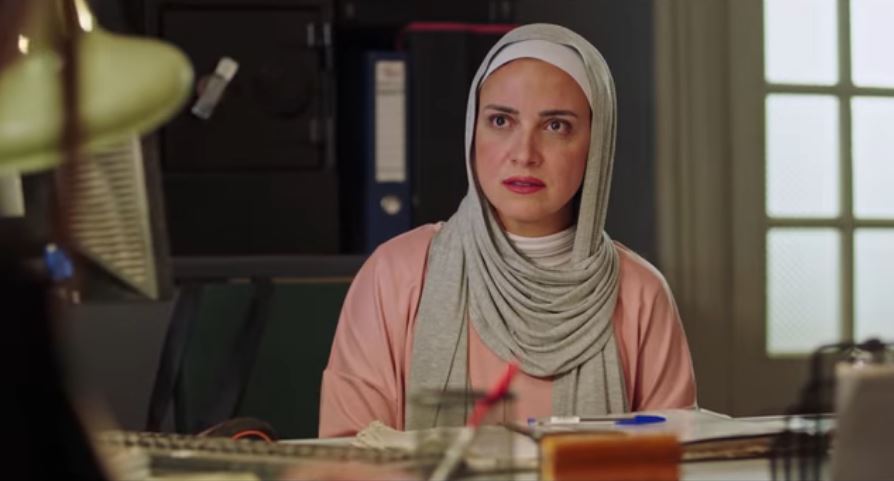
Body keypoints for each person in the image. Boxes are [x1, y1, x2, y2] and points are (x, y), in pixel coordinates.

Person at [319, 23, 696, 438]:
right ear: (472, 131)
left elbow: (677, 459)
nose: (524, 154)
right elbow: (349, 457)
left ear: (597, 143)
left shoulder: (641, 294)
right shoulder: (394, 275)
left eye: (556, 126)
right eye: (501, 120)